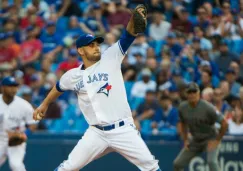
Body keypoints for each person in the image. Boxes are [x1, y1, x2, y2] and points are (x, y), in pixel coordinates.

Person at [33, 5, 162, 171]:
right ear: (80, 50)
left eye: (96, 44)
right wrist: (44, 104)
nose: (96, 47)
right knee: (67, 167)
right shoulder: (72, 75)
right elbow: (58, 87)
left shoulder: (110, 57)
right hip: (96, 133)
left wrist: (132, 19)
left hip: (122, 129)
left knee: (151, 167)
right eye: (90, 45)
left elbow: (128, 35)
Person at [173, 82, 228, 171]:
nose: (192, 95)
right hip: (196, 140)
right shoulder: (183, 107)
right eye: (189, 92)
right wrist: (186, 139)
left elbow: (224, 123)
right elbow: (183, 123)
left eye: (194, 92)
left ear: (198, 93)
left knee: (212, 162)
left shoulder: (207, 107)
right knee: (177, 163)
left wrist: (217, 140)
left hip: (210, 139)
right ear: (186, 94)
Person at [0, 76, 36, 171]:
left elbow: (33, 124)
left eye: (15, 86)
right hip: (0, 139)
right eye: (10, 86)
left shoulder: (24, 105)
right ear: (2, 87)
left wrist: (24, 134)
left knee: (16, 165)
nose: (13, 89)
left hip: (16, 140)